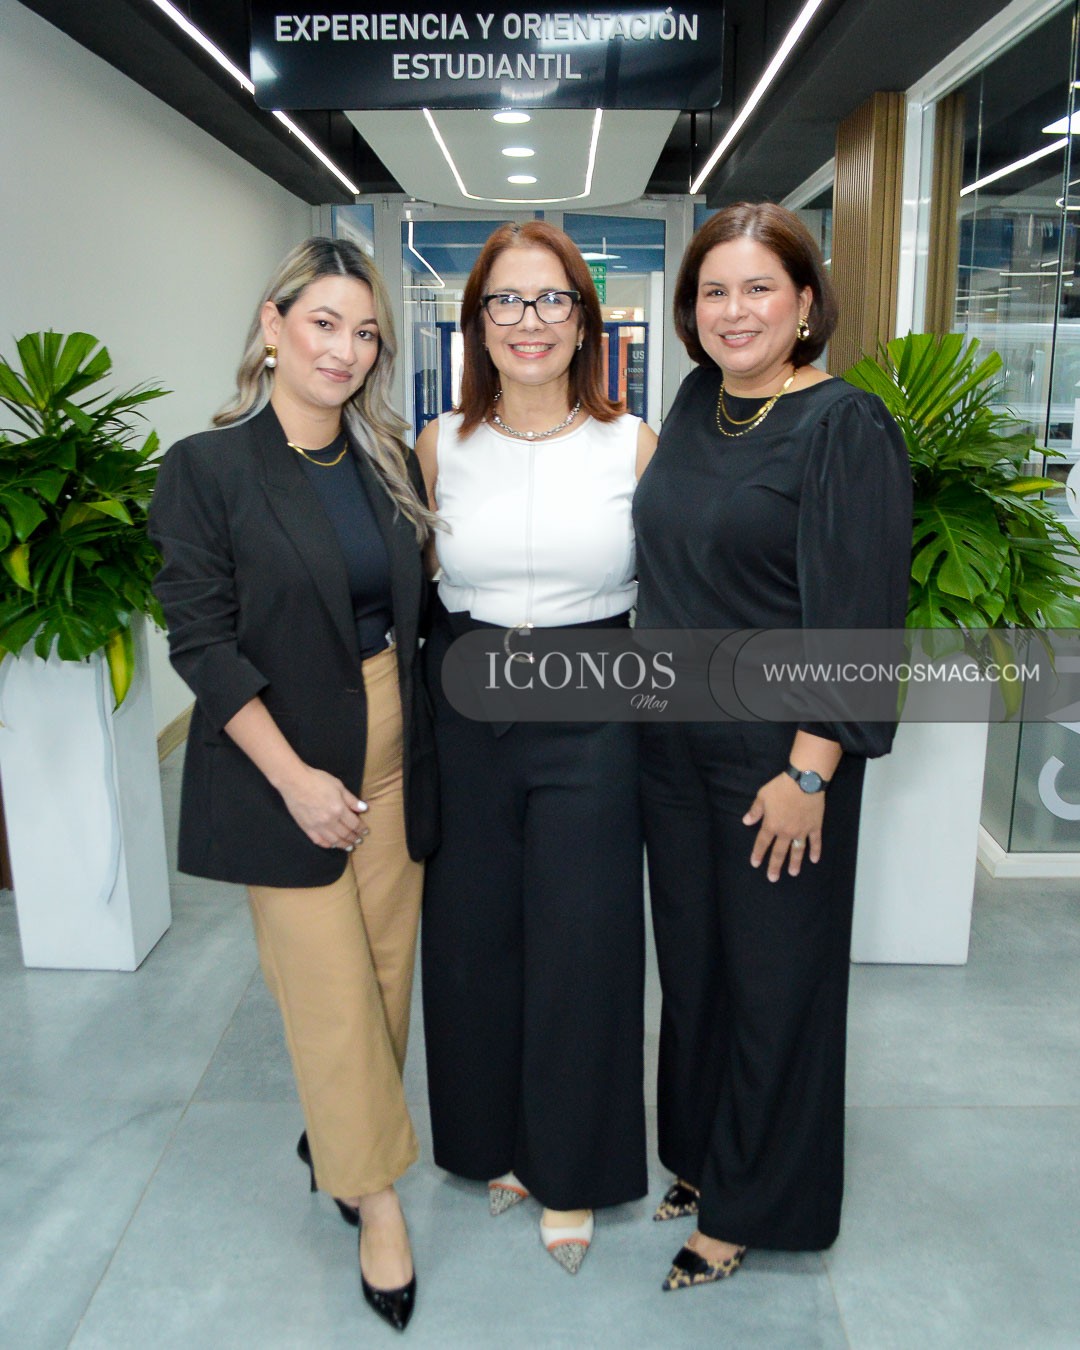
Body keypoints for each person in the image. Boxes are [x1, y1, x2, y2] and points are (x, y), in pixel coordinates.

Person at [148, 237, 437, 1333]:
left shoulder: (386, 461)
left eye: (365, 333)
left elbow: (415, 613)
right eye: (323, 323)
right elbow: (202, 643)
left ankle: (342, 1139)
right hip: (284, 754)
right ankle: (376, 1201)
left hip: (394, 742)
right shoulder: (207, 468)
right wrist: (296, 780)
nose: (344, 350)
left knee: (387, 974)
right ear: (272, 327)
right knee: (327, 987)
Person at [632, 203, 912, 1290]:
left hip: (779, 755)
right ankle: (705, 1157)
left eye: (759, 288)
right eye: (714, 291)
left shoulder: (846, 424)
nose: (734, 311)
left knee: (776, 981)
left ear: (804, 303)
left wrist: (810, 769)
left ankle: (753, 1205)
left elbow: (859, 617)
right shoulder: (697, 400)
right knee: (698, 972)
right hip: (672, 748)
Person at [414, 220, 657, 1275]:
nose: (529, 320)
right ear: (477, 323)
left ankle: (573, 1166)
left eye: (552, 299)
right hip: (467, 704)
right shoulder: (438, 444)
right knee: (473, 939)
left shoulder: (633, 443)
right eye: (505, 301)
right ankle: (494, 1142)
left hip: (594, 699)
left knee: (584, 943)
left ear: (585, 321)